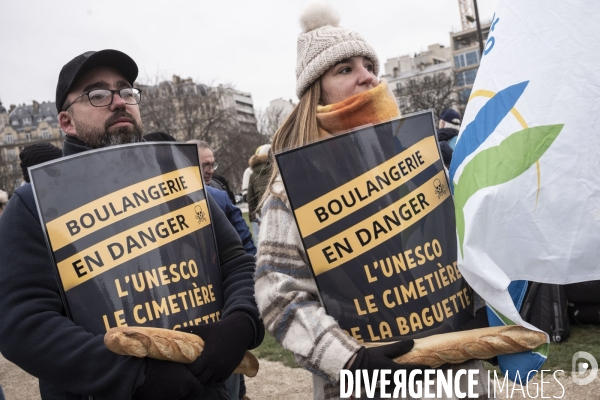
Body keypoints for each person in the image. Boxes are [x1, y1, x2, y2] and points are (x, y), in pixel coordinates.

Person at [254, 4, 489, 400]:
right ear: (317, 90)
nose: (367, 77)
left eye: (368, 65)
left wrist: (483, 309)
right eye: (345, 70)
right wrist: (351, 362)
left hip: (459, 375)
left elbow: (459, 246)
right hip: (366, 386)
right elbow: (279, 295)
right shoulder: (294, 183)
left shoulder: (416, 155)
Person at [0, 49, 263, 400]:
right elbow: (22, 322)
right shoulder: (34, 203)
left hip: (213, 386)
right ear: (66, 121)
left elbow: (236, 260)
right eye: (97, 94)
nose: (119, 102)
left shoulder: (178, 182)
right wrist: (135, 376)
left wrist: (240, 322)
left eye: (126, 91)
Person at [187, 139, 256, 256]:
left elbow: (245, 241)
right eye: (205, 166)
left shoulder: (220, 196)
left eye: (212, 165)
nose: (211, 171)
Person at [246, 144, 271, 242]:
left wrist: (252, 217)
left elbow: (250, 198)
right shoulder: (273, 169)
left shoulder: (252, 176)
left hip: (264, 212)